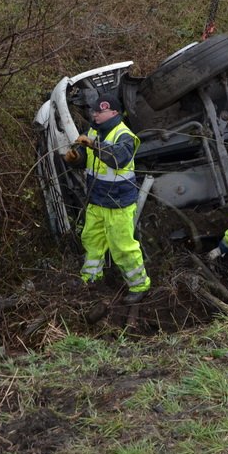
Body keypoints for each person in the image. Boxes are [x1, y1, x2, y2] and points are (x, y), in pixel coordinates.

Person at [64, 91, 151, 305]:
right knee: (92, 241)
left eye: (99, 111)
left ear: (113, 112)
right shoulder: (95, 131)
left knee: (123, 248)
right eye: (93, 111)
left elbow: (117, 159)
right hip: (97, 200)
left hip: (118, 204)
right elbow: (87, 157)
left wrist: (92, 146)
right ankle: (90, 279)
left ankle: (139, 286)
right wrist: (76, 158)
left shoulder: (125, 136)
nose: (94, 114)